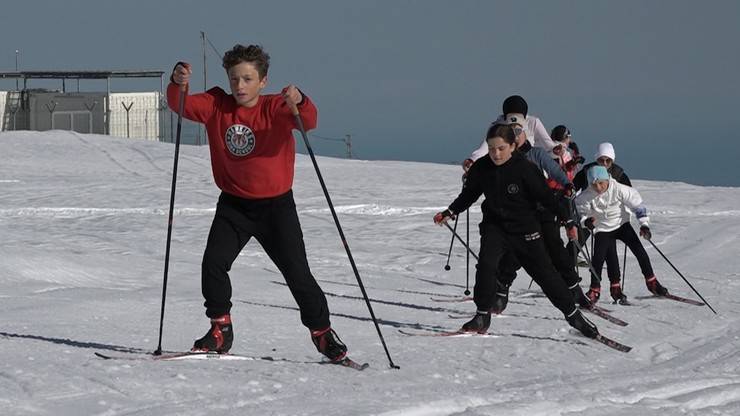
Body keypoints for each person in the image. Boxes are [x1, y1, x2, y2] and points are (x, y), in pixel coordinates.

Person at [166, 44, 348, 362]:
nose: (240, 86)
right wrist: (177, 81)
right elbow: (180, 103)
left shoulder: (276, 107)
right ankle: (220, 330)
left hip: (276, 208)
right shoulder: (216, 105)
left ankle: (321, 333)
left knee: (297, 273)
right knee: (214, 263)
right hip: (234, 205)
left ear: (263, 81)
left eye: (248, 79)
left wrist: (300, 100)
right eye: (235, 79)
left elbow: (310, 119)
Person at [434, 123, 598, 338]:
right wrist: (451, 211)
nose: (496, 153)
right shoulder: (482, 167)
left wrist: (568, 221)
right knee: (486, 265)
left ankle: (573, 315)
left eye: (501, 148)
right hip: (495, 227)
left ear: (512, 146)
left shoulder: (525, 168)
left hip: (525, 229)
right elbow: (470, 193)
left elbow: (546, 197)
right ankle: (482, 315)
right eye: (492, 148)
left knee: (545, 274)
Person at [491, 120, 590, 313]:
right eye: (510, 132)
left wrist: (566, 184)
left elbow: (553, 170)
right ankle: (501, 290)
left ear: (524, 134)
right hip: (520, 213)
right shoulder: (503, 157)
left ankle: (574, 290)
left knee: (556, 249)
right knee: (516, 252)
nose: (515, 135)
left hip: (543, 208)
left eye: (518, 131)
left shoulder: (536, 154)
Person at [575, 165, 669, 303]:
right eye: (594, 185)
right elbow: (580, 213)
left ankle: (652, 283)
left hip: (621, 225)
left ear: (607, 179)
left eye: (601, 183)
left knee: (640, 252)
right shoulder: (586, 195)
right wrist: (586, 222)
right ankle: (598, 289)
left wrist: (644, 224)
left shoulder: (619, 189)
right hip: (602, 229)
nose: (599, 188)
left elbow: (637, 205)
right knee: (598, 260)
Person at [570, 142, 632, 302]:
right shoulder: (586, 172)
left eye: (608, 161)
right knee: (575, 245)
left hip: (608, 219)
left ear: (612, 161)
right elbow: (572, 190)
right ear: (596, 158)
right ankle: (565, 278)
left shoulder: (619, 174)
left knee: (609, 251)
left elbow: (629, 195)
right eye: (601, 160)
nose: (604, 164)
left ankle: (614, 287)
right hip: (588, 215)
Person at [463, 95, 560, 171]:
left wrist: (555, 150)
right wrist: (472, 160)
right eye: (511, 116)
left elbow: (548, 146)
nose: (514, 120)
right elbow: (485, 147)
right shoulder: (497, 125)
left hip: (529, 167)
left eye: (518, 116)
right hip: (505, 167)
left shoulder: (533, 122)